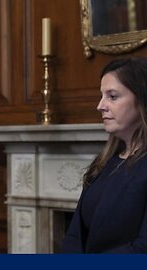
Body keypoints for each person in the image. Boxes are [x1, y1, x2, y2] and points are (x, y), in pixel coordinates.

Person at [62, 58, 147, 253]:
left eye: (112, 96)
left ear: (142, 99)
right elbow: (75, 233)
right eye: (102, 96)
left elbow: (143, 248)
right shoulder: (104, 162)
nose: (100, 106)